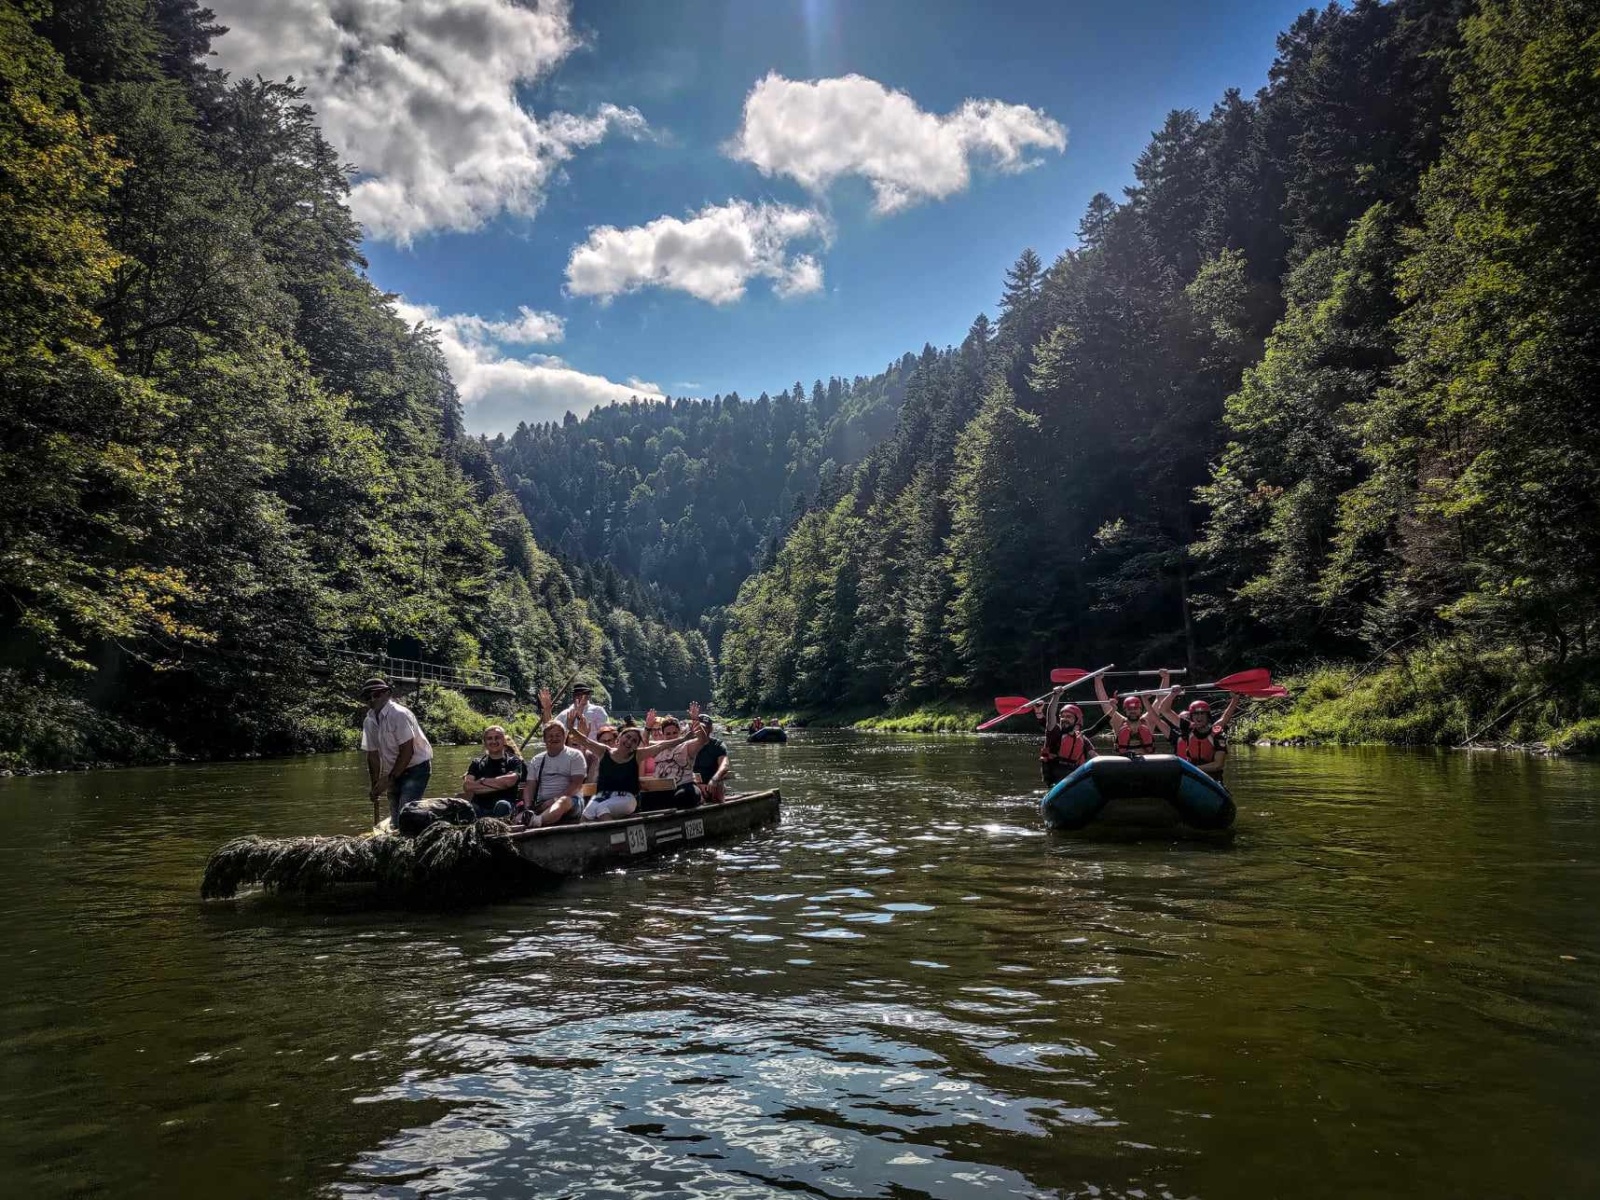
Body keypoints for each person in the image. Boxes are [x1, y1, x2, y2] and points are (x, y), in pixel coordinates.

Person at [567, 714, 700, 822]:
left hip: (628, 799)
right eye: (628, 737)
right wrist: (571, 728)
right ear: (619, 738)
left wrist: (683, 739)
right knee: (586, 815)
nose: (629, 742)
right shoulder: (604, 752)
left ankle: (613, 836)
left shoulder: (637, 755)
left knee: (602, 809)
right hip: (604, 796)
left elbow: (661, 746)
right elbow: (585, 741)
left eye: (634, 741)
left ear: (636, 746)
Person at [359, 678, 434, 823]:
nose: (371, 700)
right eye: (367, 697)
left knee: (405, 813)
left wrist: (388, 779)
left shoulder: (399, 714)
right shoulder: (369, 721)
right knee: (395, 816)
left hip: (416, 768)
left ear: (387, 693)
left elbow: (407, 751)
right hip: (393, 770)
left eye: (376, 695)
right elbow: (373, 756)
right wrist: (375, 786)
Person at [649, 706, 728, 809]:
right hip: (684, 784)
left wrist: (714, 780)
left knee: (684, 796)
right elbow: (644, 745)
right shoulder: (660, 746)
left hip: (705, 784)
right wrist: (647, 727)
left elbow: (724, 766)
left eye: (706, 727)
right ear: (663, 734)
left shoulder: (714, 745)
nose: (671, 736)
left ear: (711, 729)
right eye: (668, 734)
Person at [517, 721, 589, 827]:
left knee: (562, 802)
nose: (554, 738)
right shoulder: (537, 760)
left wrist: (554, 800)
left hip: (571, 802)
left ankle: (536, 822)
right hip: (542, 804)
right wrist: (528, 807)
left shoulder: (575, 756)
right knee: (517, 819)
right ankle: (531, 818)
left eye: (558, 735)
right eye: (550, 736)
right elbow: (530, 786)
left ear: (564, 737)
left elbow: (576, 785)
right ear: (544, 739)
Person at [1156, 690, 1240, 778]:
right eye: (1196, 714)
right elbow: (1164, 710)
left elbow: (1218, 765)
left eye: (1202, 713)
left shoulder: (1216, 735)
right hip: (1191, 774)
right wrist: (1173, 694)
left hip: (1211, 776)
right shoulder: (1187, 728)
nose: (1199, 717)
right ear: (1191, 717)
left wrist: (1235, 699)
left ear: (1208, 716)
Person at [1094, 670, 1167, 757]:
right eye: (1129, 709)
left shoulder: (1148, 720)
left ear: (1140, 709)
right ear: (1125, 710)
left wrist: (1165, 677)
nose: (1133, 711)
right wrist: (1098, 680)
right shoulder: (1118, 722)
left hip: (1146, 762)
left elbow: (1159, 700)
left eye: (1135, 708)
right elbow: (1104, 703)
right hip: (1125, 763)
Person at [461, 725, 524, 819]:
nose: (493, 741)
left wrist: (481, 782)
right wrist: (501, 785)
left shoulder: (514, 761)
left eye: (497, 738)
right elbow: (467, 786)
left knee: (502, 805)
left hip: (505, 807)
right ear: (485, 743)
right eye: (490, 738)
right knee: (467, 808)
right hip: (480, 807)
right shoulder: (477, 763)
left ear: (504, 741)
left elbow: (509, 781)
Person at [1038, 688, 1095, 786]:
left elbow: (1094, 756)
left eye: (1069, 717)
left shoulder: (1081, 738)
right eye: (1062, 716)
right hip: (1056, 780)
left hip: (1074, 776)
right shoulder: (1055, 732)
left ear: (1076, 720)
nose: (1064, 719)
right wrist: (1056, 696)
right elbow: (1051, 715)